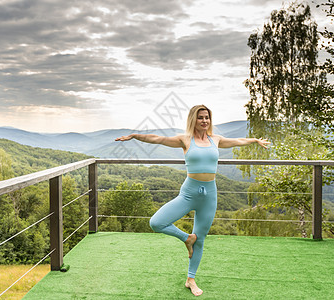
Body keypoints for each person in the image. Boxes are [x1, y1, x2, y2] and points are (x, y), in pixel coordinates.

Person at [115, 104, 270, 296]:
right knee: (156, 222)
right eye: (200, 117)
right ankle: (186, 238)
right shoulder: (185, 139)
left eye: (207, 117)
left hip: (210, 195)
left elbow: (237, 140)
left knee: (201, 239)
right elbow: (158, 139)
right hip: (189, 193)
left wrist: (254, 140)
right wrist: (134, 136)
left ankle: (191, 279)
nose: (204, 121)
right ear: (193, 120)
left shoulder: (216, 139)